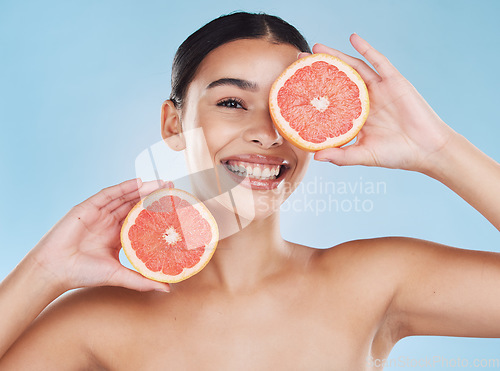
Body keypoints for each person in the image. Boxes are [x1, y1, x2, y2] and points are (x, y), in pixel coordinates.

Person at [1, 11, 499, 370]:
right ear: (173, 123)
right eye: (233, 102)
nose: (267, 132)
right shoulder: (96, 322)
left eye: (288, 105)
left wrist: (439, 150)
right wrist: (44, 271)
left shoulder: (376, 283)